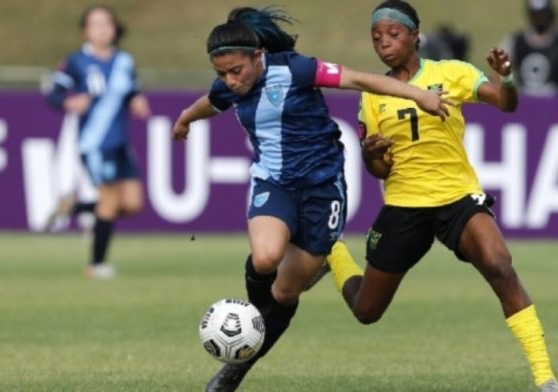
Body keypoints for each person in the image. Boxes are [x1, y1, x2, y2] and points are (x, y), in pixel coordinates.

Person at [170, 7, 449, 391]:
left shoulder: (297, 70)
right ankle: (243, 347)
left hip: (323, 187)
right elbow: (210, 101)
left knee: (286, 292)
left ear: (257, 56)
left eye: (236, 71)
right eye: (222, 74)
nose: (230, 81)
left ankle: (290, 295)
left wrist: (419, 96)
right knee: (266, 258)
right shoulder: (228, 87)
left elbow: (358, 78)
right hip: (275, 182)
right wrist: (185, 119)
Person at [324, 1, 558, 391]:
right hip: (405, 206)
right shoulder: (372, 93)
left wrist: (506, 78)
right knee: (366, 311)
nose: (384, 43)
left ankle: (546, 380)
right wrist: (371, 155)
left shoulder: (451, 73)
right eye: (376, 37)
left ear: (415, 35)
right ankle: (332, 251)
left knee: (499, 264)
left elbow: (507, 105)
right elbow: (381, 171)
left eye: (393, 34)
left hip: (457, 198)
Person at [46, 5, 151, 279]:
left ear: (115, 28)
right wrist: (69, 101)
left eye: (106, 23)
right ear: (86, 30)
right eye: (95, 24)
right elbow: (54, 92)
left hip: (120, 142)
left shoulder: (125, 61)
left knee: (132, 203)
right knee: (109, 198)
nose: (102, 29)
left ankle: (74, 206)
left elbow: (131, 92)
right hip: (94, 143)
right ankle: (96, 265)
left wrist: (137, 101)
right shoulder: (77, 61)